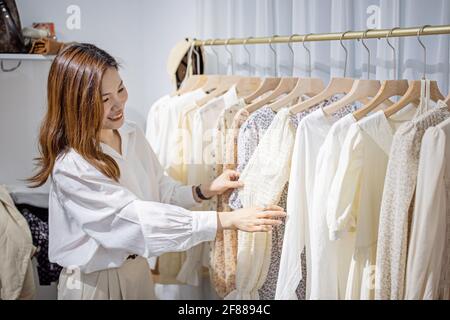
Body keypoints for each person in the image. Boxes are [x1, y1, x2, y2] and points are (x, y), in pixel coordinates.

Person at [28, 43, 285, 300]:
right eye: (105, 99)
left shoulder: (131, 134)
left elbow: (159, 189)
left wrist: (203, 190)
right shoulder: (72, 166)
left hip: (137, 271)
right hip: (95, 284)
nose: (118, 104)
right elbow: (133, 220)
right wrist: (223, 221)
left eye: (120, 89)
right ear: (77, 105)